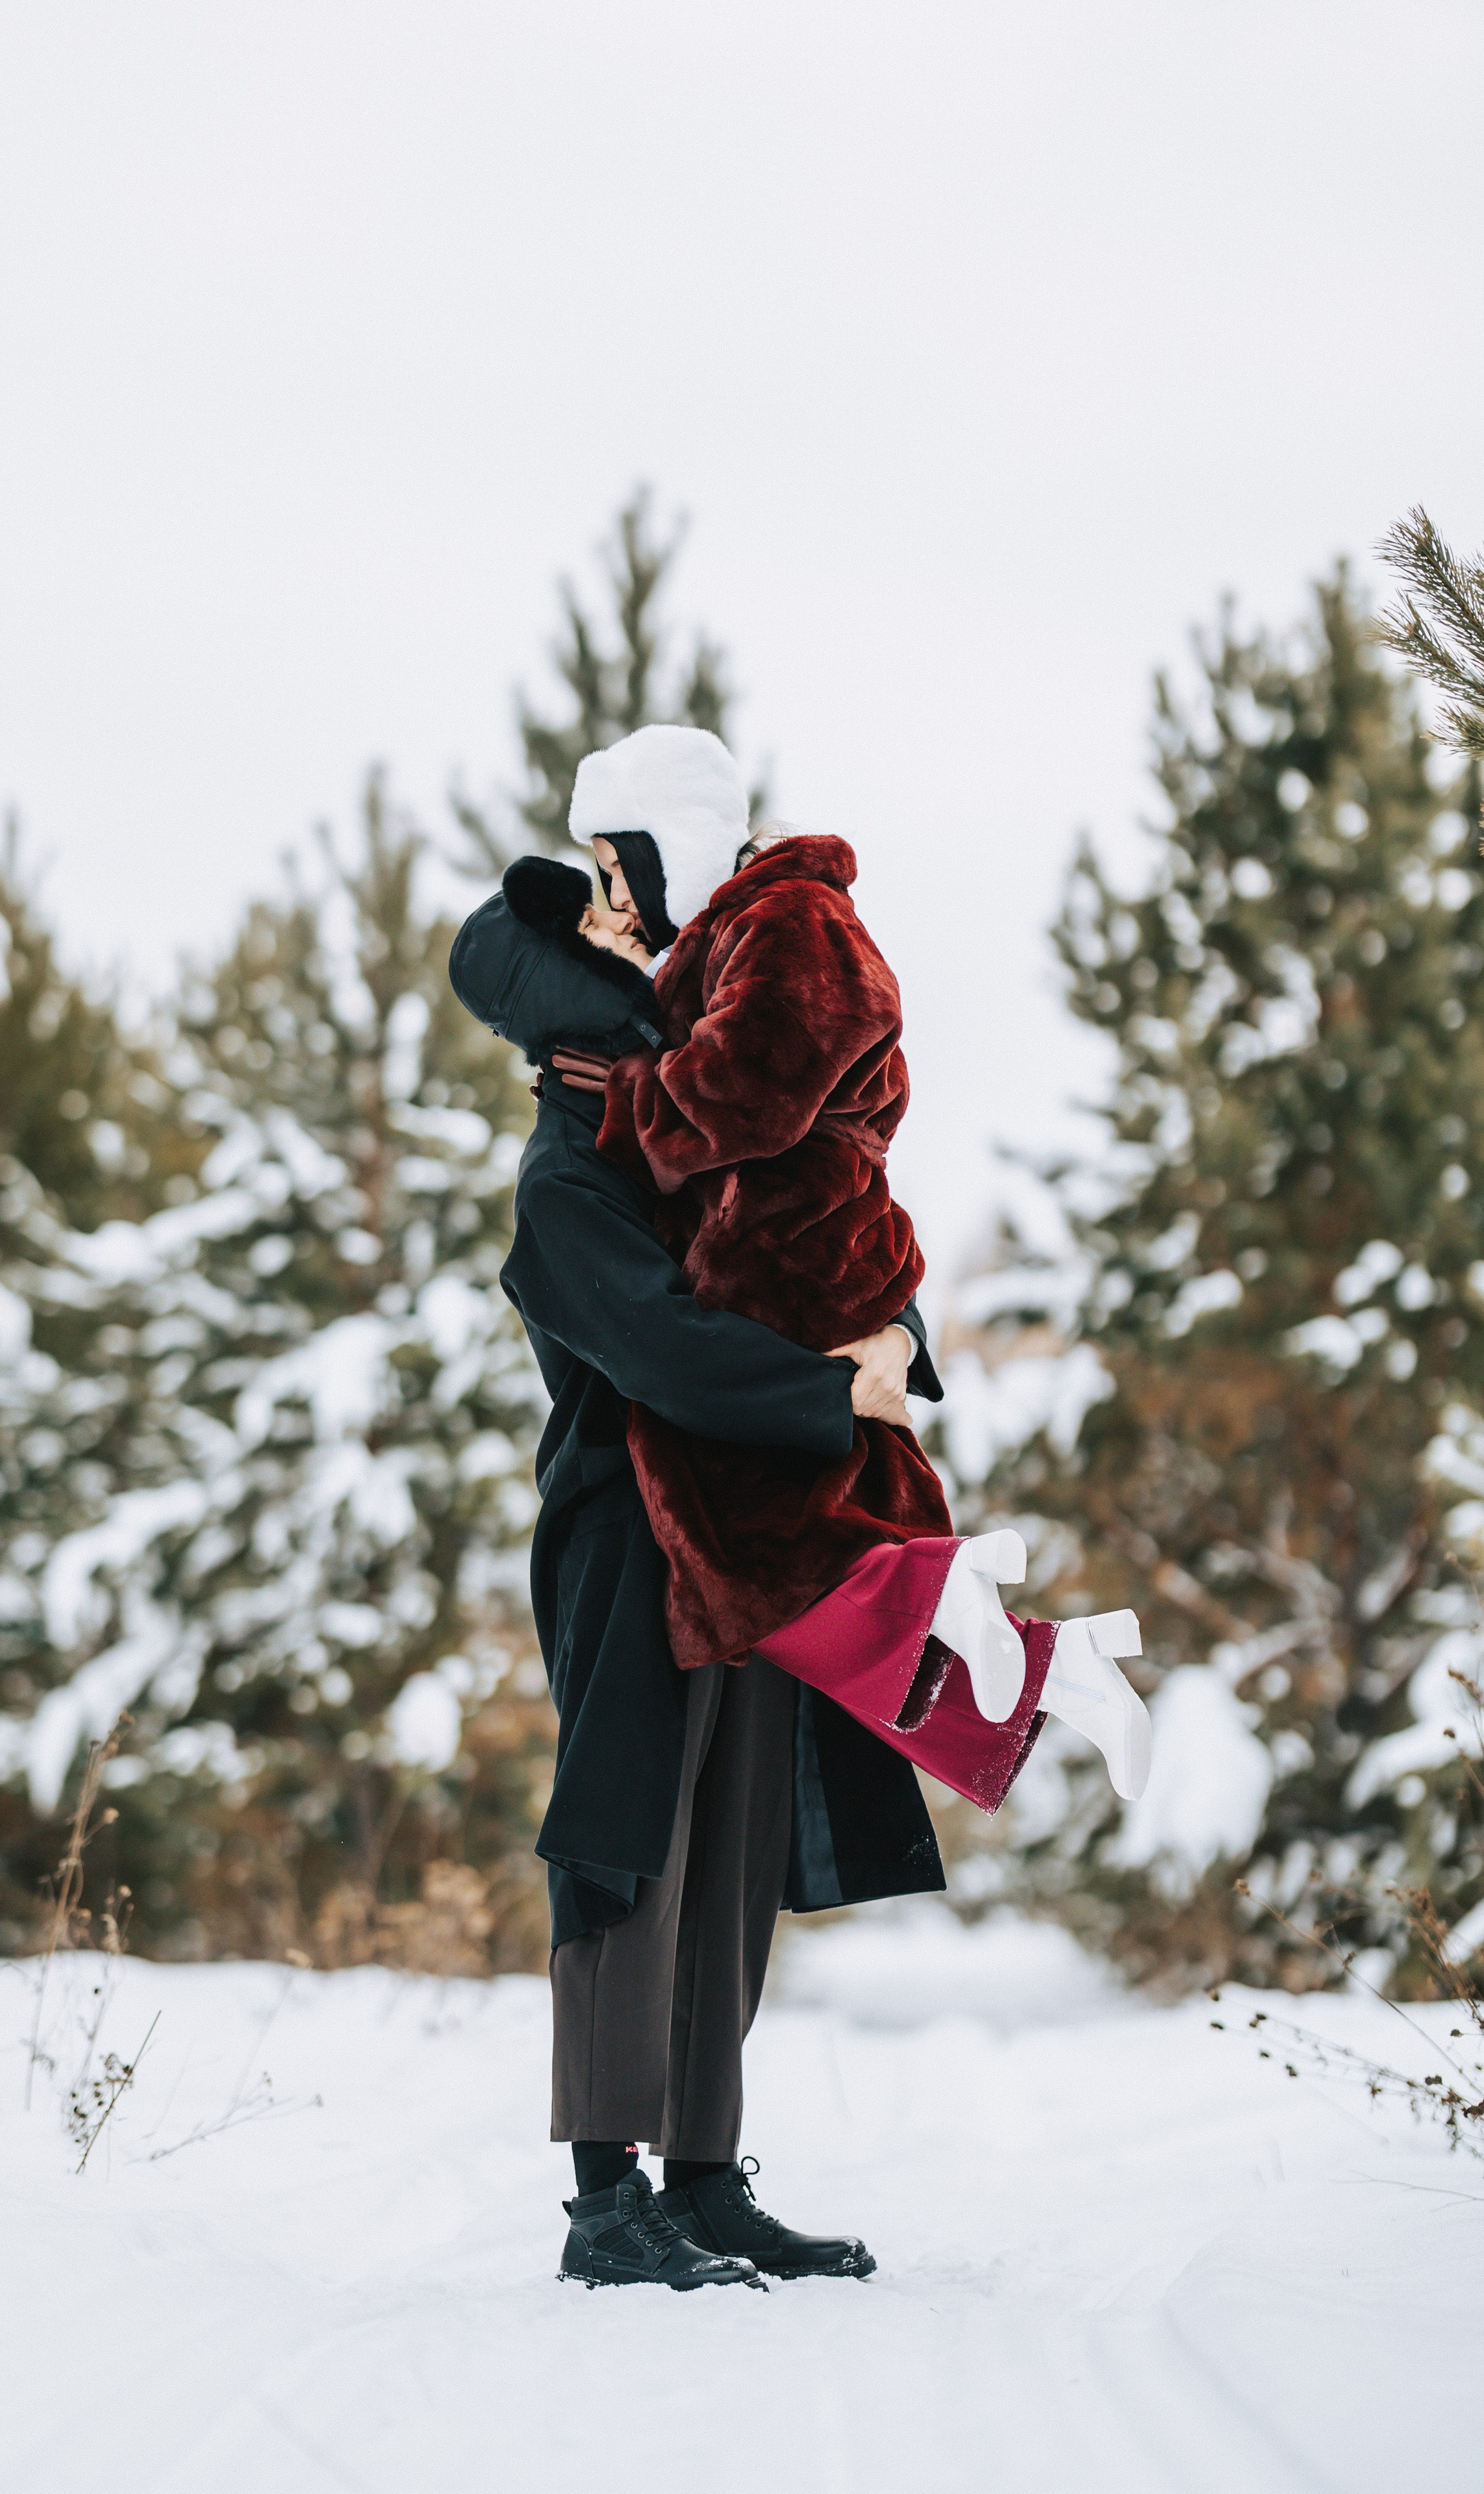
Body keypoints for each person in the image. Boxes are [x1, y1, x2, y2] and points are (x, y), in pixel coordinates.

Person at [451, 872, 962, 2289]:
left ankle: (701, 2175)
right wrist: (837, 1398)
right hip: (624, 1534)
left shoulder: (708, 1160)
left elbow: (830, 1235)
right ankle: (605, 2201)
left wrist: (894, 1347)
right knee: (625, 1851)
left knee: (732, 1854)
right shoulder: (563, 1180)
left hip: (750, 1534)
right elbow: (663, 1351)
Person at [562, 724, 1151, 1802]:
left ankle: (943, 1597)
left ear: (666, 845)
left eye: (616, 866)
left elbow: (755, 1085)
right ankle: (1034, 1663)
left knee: (736, 1524)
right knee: (812, 1526)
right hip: (806, 1241)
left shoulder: (792, 914)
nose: (615, 897)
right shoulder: (753, 927)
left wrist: (625, 1087)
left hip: (793, 1244)